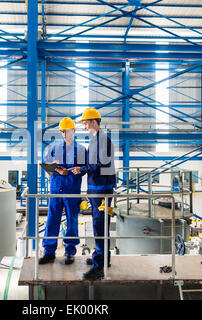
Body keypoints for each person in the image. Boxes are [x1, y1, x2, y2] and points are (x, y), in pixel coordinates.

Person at [70, 107, 116, 280]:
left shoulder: (102, 140)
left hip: (101, 189)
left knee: (99, 225)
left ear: (94, 122)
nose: (84, 126)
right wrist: (80, 169)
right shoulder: (97, 139)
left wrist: (80, 169)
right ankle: (103, 259)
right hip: (97, 188)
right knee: (101, 225)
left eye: (86, 122)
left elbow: (98, 165)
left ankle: (99, 267)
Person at [39, 117, 87, 265]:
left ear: (74, 131)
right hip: (55, 188)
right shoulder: (54, 147)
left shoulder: (81, 150)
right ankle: (49, 252)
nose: (65, 134)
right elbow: (47, 164)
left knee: (72, 220)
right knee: (52, 219)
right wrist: (53, 167)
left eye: (67, 131)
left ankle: (70, 251)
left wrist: (70, 173)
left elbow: (85, 169)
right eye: (62, 132)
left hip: (72, 189)